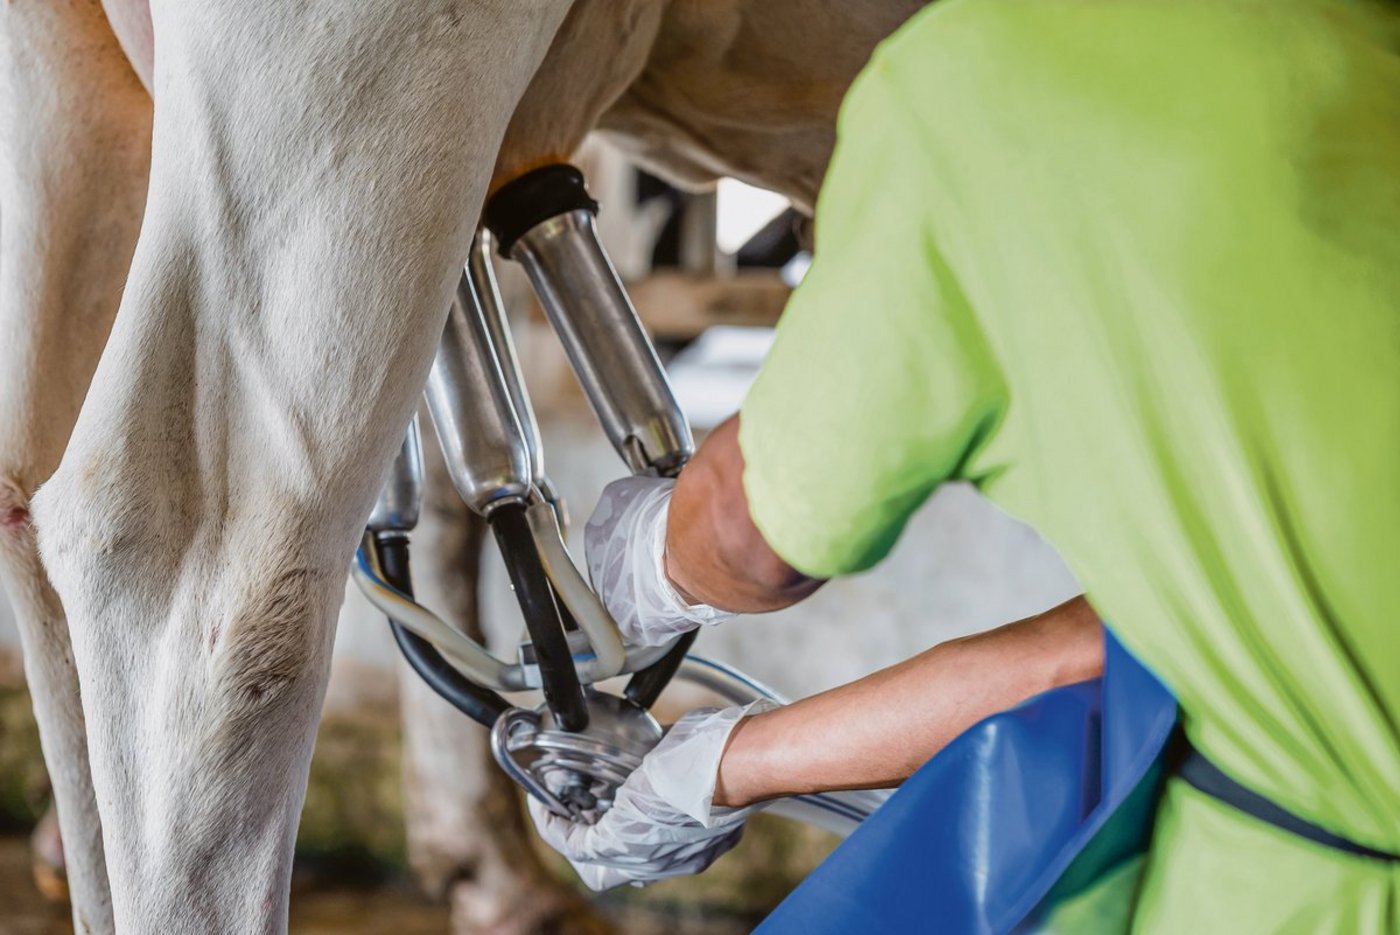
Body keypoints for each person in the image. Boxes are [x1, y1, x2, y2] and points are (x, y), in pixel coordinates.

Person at [529, 0, 1400, 930]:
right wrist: (729, 763)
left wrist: (657, 564)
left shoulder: (977, 82)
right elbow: (1136, 645)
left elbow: (751, 541)